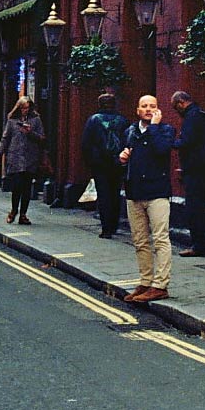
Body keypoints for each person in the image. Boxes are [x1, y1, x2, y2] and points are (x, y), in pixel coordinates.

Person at [119, 94, 177, 303]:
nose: (148, 109)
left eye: (152, 106)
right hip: (134, 192)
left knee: (160, 239)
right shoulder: (130, 131)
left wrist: (154, 127)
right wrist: (123, 158)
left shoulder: (166, 130)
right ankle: (145, 281)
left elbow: (161, 150)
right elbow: (128, 155)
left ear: (158, 110)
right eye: (144, 106)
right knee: (140, 240)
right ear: (137, 110)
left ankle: (160, 285)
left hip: (157, 192)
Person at [172, 91, 205, 256]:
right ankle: (200, 244)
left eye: (175, 107)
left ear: (181, 102)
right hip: (204, 167)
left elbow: (187, 142)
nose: (176, 111)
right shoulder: (200, 114)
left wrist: (172, 142)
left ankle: (198, 246)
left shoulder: (192, 117)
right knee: (200, 206)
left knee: (194, 207)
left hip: (195, 168)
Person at [0, 96, 46, 226]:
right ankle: (13, 211)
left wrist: (30, 132)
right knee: (17, 186)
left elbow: (42, 138)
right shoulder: (12, 121)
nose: (25, 110)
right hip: (15, 157)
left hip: (30, 158)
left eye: (27, 108)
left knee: (27, 187)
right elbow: (5, 139)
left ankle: (23, 215)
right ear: (19, 108)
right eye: (23, 108)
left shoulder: (36, 120)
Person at [81, 93, 127, 238]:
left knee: (103, 195)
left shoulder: (93, 120)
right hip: (117, 162)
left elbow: (86, 143)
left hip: (99, 163)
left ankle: (106, 229)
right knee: (115, 193)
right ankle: (114, 225)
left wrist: (89, 161)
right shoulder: (122, 120)